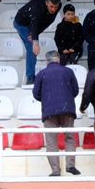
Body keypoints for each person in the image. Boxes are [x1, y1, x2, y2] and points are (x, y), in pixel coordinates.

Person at [34, 49, 81, 177]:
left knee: (51, 141)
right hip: (67, 109)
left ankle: (55, 170)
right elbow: (75, 91)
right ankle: (70, 165)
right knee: (70, 137)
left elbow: (36, 94)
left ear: (47, 60)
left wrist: (47, 99)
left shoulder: (41, 74)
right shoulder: (68, 71)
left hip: (49, 111)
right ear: (58, 58)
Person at [14, 0, 57, 84]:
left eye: (55, 7)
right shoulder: (38, 8)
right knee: (31, 48)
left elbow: (49, 20)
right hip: (21, 23)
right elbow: (34, 23)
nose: (53, 9)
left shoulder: (57, 6)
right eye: (51, 7)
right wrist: (35, 41)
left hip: (33, 22)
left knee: (33, 41)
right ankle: (30, 78)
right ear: (46, 3)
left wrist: (36, 32)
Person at [52, 3, 84, 69]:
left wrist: (74, 48)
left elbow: (81, 38)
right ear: (64, 15)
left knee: (74, 59)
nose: (70, 16)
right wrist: (63, 49)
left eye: (72, 14)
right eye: (68, 14)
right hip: (63, 50)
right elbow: (57, 39)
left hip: (76, 50)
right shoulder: (60, 26)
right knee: (62, 60)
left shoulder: (78, 25)